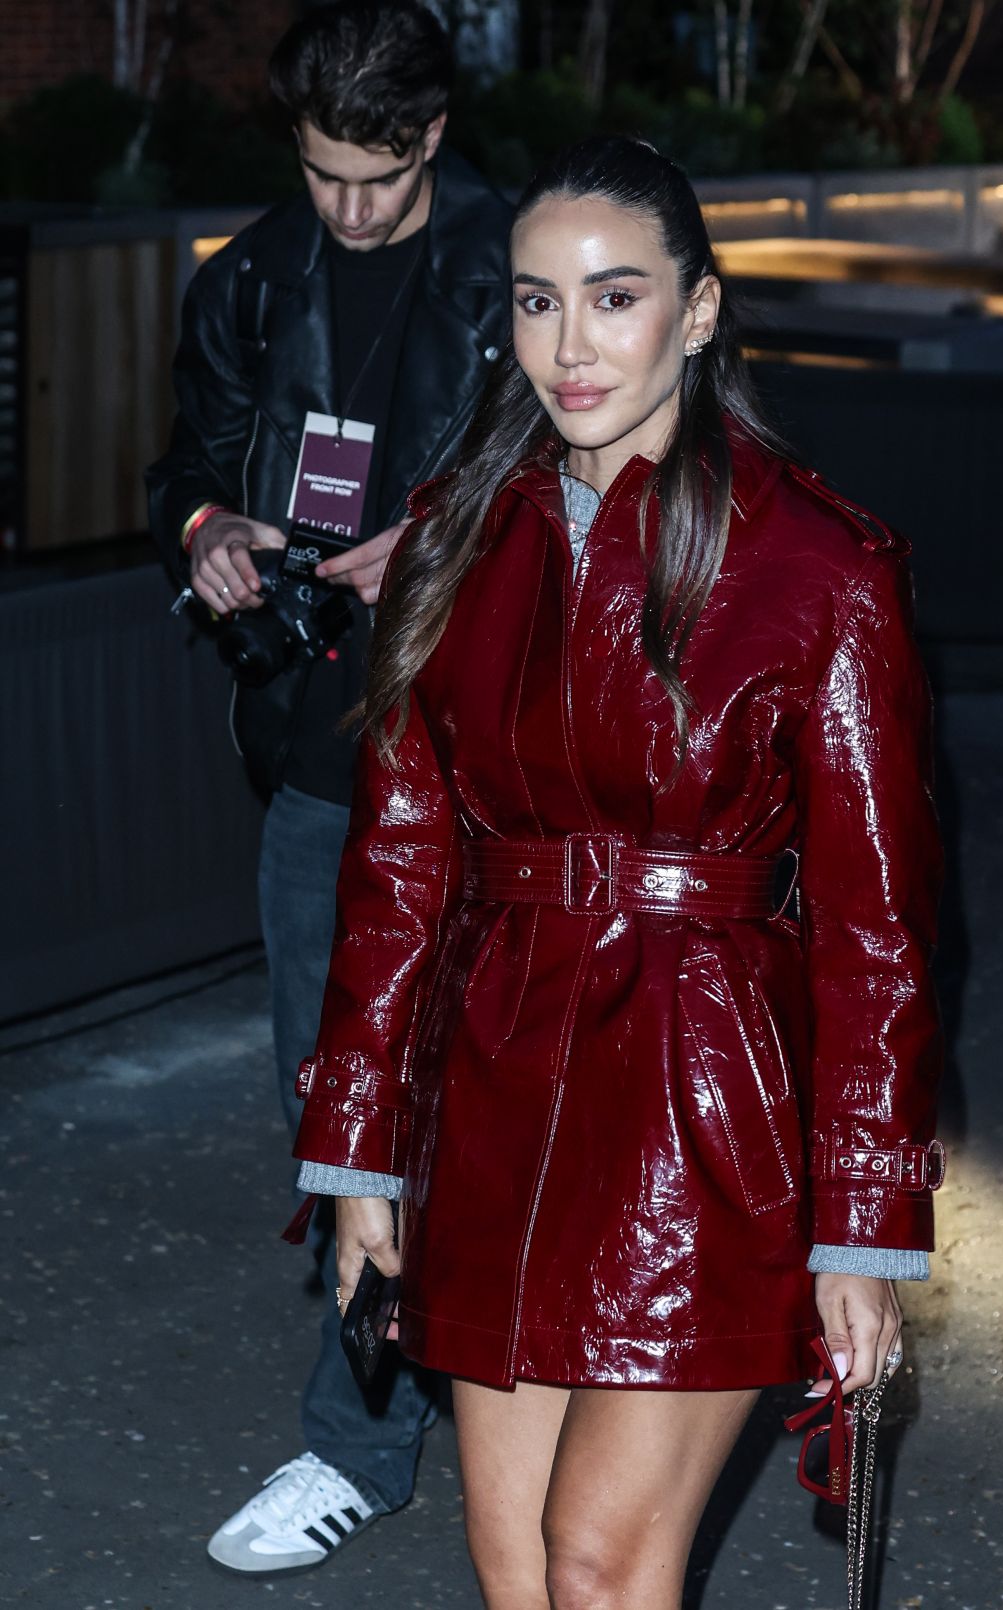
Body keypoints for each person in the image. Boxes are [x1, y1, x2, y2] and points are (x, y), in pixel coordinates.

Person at [292, 134, 944, 1608]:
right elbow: (401, 861)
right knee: (512, 1561)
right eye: (536, 302)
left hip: (706, 1100)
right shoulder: (460, 537)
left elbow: (877, 925)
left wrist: (867, 1222)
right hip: (501, 1078)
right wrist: (359, 1149)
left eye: (614, 297)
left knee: (597, 1559)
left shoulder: (824, 569)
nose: (570, 346)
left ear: (698, 312)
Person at [145, 0, 511, 1576]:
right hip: (319, 753)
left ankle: (475, 1403)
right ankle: (374, 1433)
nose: (350, 209)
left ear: (433, 133)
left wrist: (442, 548)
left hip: (502, 764)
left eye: (379, 174)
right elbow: (186, 461)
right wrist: (208, 531)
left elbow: (627, 483)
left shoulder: (530, 266)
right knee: (338, 1111)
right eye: (322, 176)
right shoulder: (250, 284)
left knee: (507, 1102)